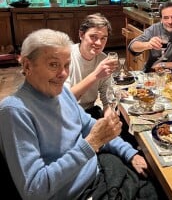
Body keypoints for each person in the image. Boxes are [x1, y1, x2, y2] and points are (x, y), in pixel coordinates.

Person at [0, 28, 158, 200]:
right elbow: (34, 190)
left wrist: (130, 153)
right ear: (27, 65)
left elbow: (92, 127)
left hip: (98, 172)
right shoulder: (14, 111)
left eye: (66, 65)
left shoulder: (62, 93)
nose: (62, 74)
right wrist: (90, 144)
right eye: (53, 64)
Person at [65, 13, 119, 119]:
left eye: (103, 38)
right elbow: (65, 99)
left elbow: (106, 96)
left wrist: (109, 116)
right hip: (66, 114)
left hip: (88, 112)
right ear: (81, 35)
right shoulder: (65, 56)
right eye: (93, 37)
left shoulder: (103, 59)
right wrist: (96, 75)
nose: (99, 43)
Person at [128, 1, 172, 72]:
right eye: (166, 18)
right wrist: (148, 44)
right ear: (161, 20)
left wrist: (163, 65)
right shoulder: (154, 29)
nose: (170, 22)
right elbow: (132, 46)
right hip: (152, 73)